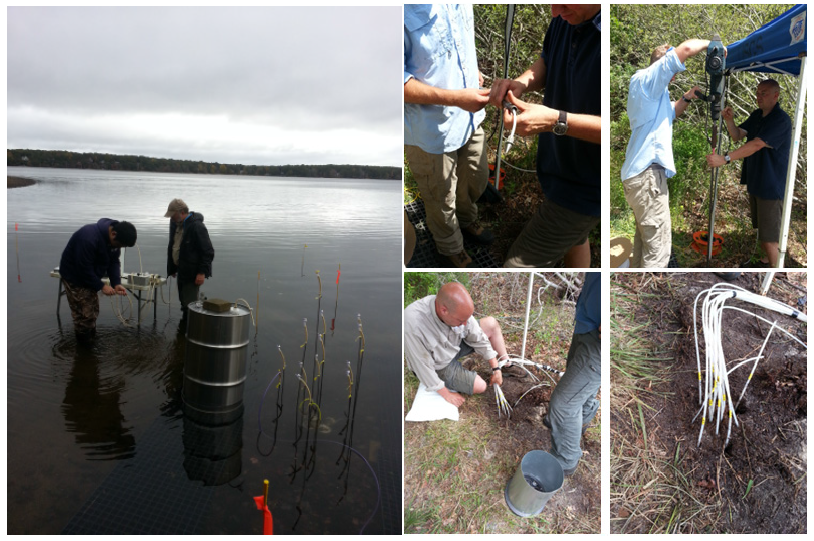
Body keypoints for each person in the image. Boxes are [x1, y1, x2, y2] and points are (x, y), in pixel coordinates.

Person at [489, 5, 601, 268]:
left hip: (585, 188)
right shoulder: (565, 16)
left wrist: (555, 121)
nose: (554, 11)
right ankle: (577, 290)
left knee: (515, 269)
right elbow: (548, 61)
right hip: (557, 168)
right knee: (577, 238)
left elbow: (616, 132)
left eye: (564, 2)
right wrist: (521, 83)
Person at [404, 4, 493, 269]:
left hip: (469, 116)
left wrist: (470, 69)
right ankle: (450, 248)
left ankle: (466, 220)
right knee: (439, 196)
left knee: (475, 176)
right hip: (429, 129)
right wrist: (455, 98)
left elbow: (459, 37)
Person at [621, 39, 713, 268]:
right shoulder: (649, 79)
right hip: (648, 179)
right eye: (670, 73)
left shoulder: (646, 91)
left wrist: (686, 98)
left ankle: (636, 283)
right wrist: (713, 44)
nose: (673, 77)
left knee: (644, 243)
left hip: (638, 178)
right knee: (658, 252)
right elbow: (686, 49)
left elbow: (669, 113)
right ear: (660, 67)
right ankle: (646, 295)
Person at [706, 79, 792, 267]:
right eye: (758, 92)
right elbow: (737, 136)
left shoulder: (781, 119)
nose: (759, 96)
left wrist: (725, 159)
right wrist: (729, 120)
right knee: (763, 229)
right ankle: (767, 261)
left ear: (776, 96)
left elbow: (756, 144)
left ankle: (777, 273)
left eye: (764, 93)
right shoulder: (757, 115)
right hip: (757, 181)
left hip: (772, 185)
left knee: (770, 236)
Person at [404, 282, 509, 407]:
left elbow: (477, 336)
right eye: (461, 320)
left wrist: (495, 367)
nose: (465, 324)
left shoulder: (455, 309)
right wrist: (446, 393)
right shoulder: (413, 323)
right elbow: (421, 365)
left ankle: (507, 364)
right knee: (480, 386)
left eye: (467, 319)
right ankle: (455, 374)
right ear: (444, 311)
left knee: (491, 324)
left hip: (454, 345)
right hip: (438, 365)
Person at [545, 271, 600, 476]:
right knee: (579, 389)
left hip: (599, 341)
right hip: (587, 324)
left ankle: (566, 459)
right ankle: (579, 423)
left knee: (563, 405)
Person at [59, 218, 137, 339]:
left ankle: (89, 344)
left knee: (92, 312)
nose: (119, 247)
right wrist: (101, 286)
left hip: (89, 275)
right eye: (120, 245)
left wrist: (116, 283)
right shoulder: (88, 238)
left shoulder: (115, 240)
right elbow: (83, 268)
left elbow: (114, 261)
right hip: (74, 276)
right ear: (113, 234)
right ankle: (84, 350)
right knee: (84, 315)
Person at [165, 199, 214, 317]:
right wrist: (172, 268)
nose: (171, 218)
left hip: (192, 275)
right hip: (181, 271)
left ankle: (190, 332)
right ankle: (182, 332)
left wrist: (202, 273)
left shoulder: (197, 226)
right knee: (183, 303)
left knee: (190, 306)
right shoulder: (175, 225)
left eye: (173, 215)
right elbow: (174, 245)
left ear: (182, 212)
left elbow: (208, 251)